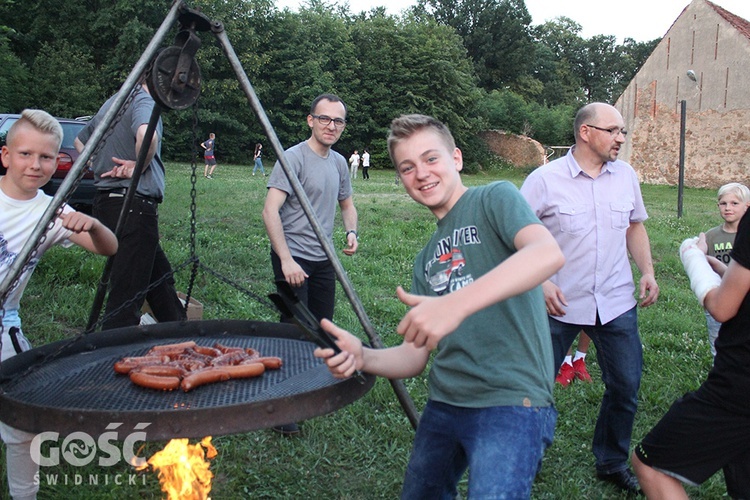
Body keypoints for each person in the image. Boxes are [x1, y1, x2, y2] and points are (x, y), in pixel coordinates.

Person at [315, 114, 565, 498]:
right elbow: (414, 358)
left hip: (512, 402)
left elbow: (546, 253)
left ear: (457, 159)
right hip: (445, 403)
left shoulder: (493, 198)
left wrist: (456, 305)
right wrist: (362, 356)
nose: (421, 173)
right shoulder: (426, 259)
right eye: (407, 167)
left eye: (431, 159)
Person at [520, 102, 659, 494]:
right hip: (558, 303)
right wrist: (541, 282)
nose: (620, 138)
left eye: (622, 132)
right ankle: (523, 457)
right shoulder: (544, 179)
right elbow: (514, 233)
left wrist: (647, 270)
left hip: (615, 302)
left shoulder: (626, 176)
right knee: (534, 386)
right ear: (586, 132)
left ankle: (611, 461)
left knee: (626, 386)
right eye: (613, 130)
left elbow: (634, 226)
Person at [0, 109, 118, 500]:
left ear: (57, 161)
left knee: (22, 419)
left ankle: (24, 496)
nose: (35, 165)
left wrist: (96, 226)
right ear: (5, 156)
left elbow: (109, 249)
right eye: (25, 154)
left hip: (4, 324)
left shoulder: (50, 213)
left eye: (46, 157)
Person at [631, 217, 750, 499]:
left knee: (651, 465)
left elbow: (721, 307)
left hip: (738, 387)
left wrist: (693, 258)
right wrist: (730, 274)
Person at [261, 93, 358, 435]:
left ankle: (310, 392)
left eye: (338, 121)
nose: (331, 126)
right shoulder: (293, 158)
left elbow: (347, 205)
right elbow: (269, 210)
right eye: (325, 119)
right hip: (294, 257)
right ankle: (281, 410)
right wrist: (285, 259)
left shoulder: (339, 162)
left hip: (323, 260)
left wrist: (351, 232)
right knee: (294, 332)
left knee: (323, 328)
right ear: (310, 120)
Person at [75, 78, 187, 330]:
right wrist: (139, 166)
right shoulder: (144, 101)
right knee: (127, 296)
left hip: (110, 204)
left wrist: (95, 163)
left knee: (160, 280)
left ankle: (182, 332)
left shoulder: (113, 102)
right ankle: (112, 353)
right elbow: (147, 135)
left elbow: (80, 141)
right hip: (133, 206)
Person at [701, 182, 750, 357]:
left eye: (734, 203)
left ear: (747, 206)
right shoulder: (711, 236)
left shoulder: (745, 237)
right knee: (718, 343)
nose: (728, 208)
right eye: (723, 203)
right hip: (719, 298)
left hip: (744, 303)